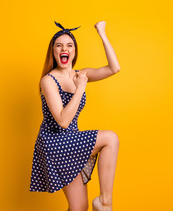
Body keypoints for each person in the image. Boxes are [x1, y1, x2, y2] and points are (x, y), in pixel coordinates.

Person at [29, 20, 121, 211]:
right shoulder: (48, 80)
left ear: (74, 52)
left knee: (79, 207)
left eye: (69, 45)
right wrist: (80, 88)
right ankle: (105, 203)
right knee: (110, 138)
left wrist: (102, 33)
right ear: (53, 52)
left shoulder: (80, 74)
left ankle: (102, 203)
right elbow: (63, 121)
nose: (65, 48)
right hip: (54, 142)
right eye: (59, 45)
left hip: (71, 140)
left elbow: (114, 68)